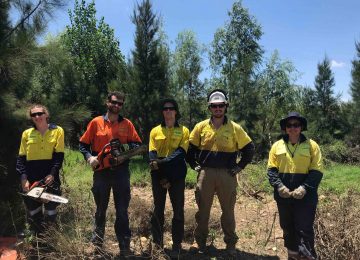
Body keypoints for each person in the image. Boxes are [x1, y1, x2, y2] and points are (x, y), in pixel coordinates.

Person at [186, 89, 255, 257]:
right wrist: (195, 166)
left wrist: (240, 167)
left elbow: (249, 148)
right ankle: (199, 241)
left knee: (228, 212)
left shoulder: (235, 128)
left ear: (226, 107)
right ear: (209, 108)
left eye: (221, 106)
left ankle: (230, 244)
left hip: (227, 174)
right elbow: (190, 149)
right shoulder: (200, 127)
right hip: (206, 174)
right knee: (203, 211)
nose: (218, 109)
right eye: (214, 106)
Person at [79, 91, 142, 256]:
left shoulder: (127, 124)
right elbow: (83, 144)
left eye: (120, 104)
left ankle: (124, 246)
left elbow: (137, 145)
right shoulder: (96, 122)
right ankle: (97, 245)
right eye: (114, 102)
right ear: (107, 102)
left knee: (122, 210)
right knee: (100, 209)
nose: (116, 106)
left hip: (121, 172)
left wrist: (124, 153)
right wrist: (89, 157)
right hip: (101, 172)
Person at [267, 112, 323, 260]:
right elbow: (271, 170)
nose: (293, 128)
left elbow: (317, 171)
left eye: (296, 125)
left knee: (304, 230)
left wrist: (304, 188)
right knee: (287, 228)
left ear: (301, 127)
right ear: (285, 128)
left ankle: (307, 257)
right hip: (284, 197)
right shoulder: (276, 146)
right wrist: (279, 187)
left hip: (306, 198)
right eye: (289, 125)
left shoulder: (312, 146)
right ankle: (292, 256)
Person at [148, 98, 189, 255]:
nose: (168, 111)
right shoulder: (155, 131)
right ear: (162, 112)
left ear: (176, 111)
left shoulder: (184, 131)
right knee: (158, 210)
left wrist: (162, 161)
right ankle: (158, 245)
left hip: (177, 175)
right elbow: (152, 156)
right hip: (158, 176)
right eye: (165, 109)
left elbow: (181, 153)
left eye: (171, 108)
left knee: (178, 210)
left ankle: (177, 245)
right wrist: (160, 176)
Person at [16, 104, 65, 234]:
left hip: (49, 177)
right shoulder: (27, 134)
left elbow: (59, 156)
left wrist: (52, 174)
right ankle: (36, 242)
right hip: (31, 178)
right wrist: (23, 178)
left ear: (46, 115)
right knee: (33, 212)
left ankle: (51, 242)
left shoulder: (57, 130)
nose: (37, 116)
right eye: (34, 115)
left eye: (40, 113)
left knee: (51, 212)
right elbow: (21, 158)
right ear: (31, 118)